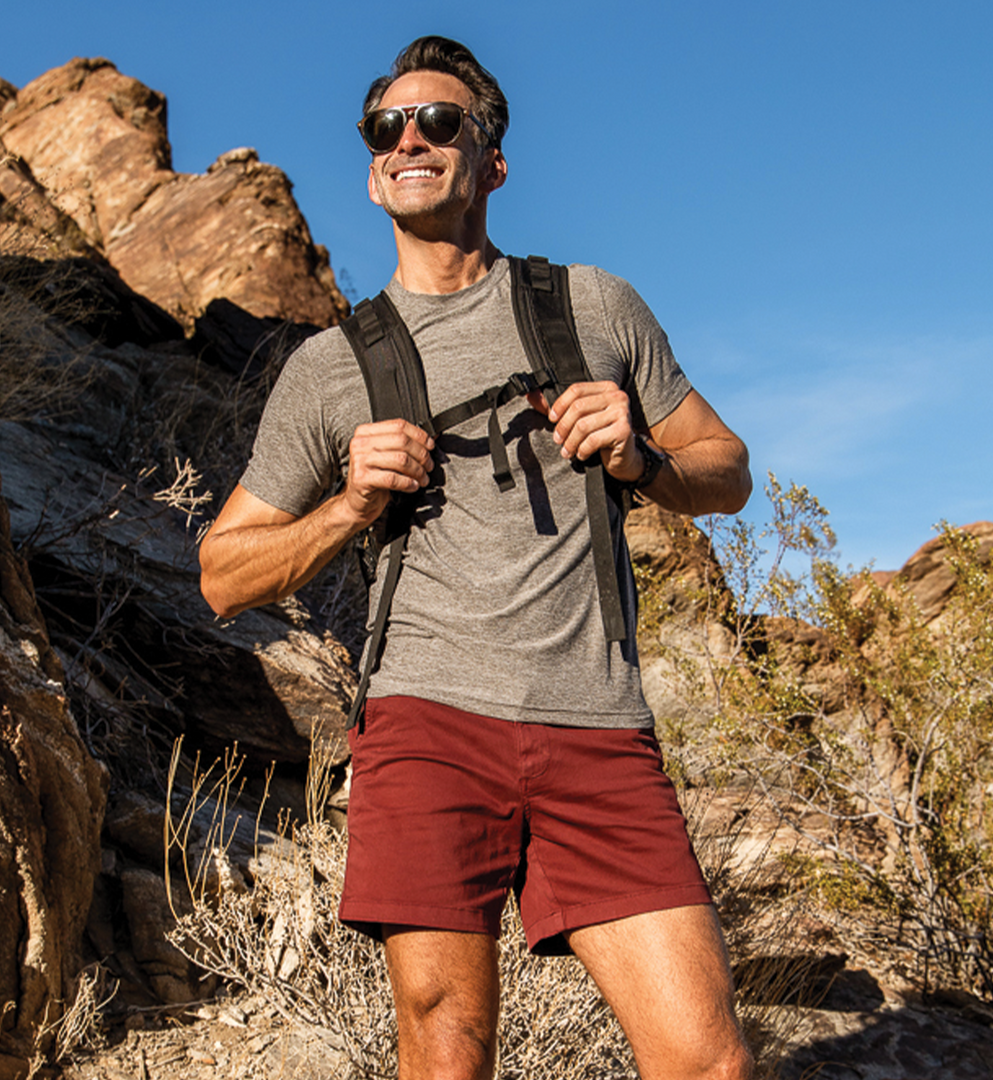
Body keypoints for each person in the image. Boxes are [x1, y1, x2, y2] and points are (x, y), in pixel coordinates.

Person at [200, 35, 754, 1080]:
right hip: (426, 726)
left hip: (597, 728)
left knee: (705, 1057)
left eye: (440, 122)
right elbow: (224, 573)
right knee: (449, 1051)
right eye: (387, 128)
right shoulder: (331, 367)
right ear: (371, 168)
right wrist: (349, 506)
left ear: (492, 159)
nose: (411, 138)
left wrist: (642, 457)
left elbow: (725, 469)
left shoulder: (593, 306)